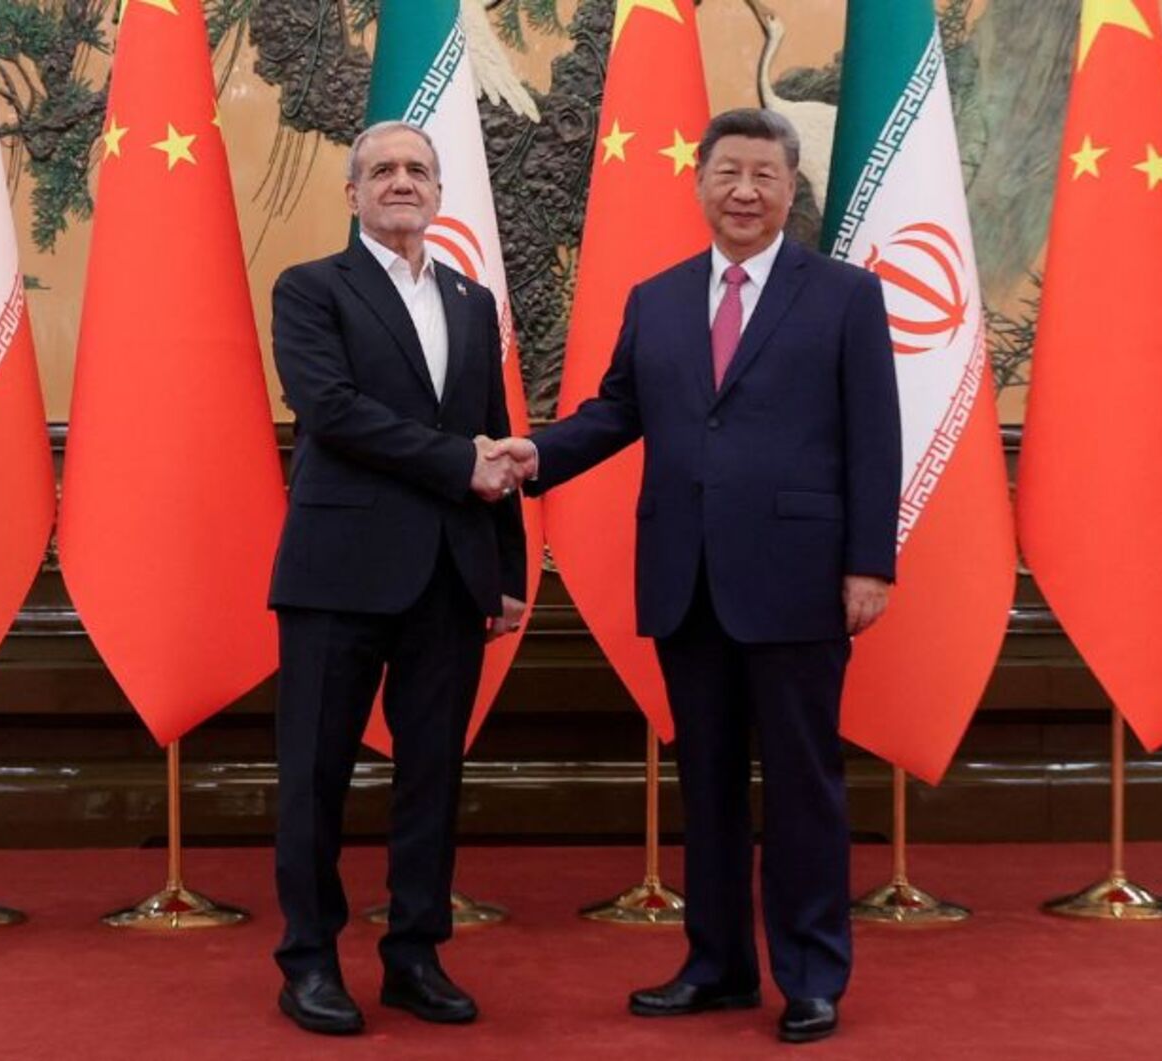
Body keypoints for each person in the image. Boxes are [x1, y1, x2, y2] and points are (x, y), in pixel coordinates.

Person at [491, 108, 899, 1044]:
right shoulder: (659, 298)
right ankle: (716, 965)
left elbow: (876, 437)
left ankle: (810, 974)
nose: (745, 192)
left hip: (800, 579)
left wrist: (869, 563)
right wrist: (537, 454)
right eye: (728, 173)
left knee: (802, 785)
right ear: (700, 182)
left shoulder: (845, 295)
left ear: (791, 188)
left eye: (764, 175)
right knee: (707, 784)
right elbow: (617, 411)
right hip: (686, 577)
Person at [266, 120, 528, 1036]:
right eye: (382, 170)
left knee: (432, 780)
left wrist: (507, 569)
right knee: (315, 778)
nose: (401, 181)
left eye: (418, 169)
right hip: (337, 574)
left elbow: (493, 431)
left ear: (439, 191)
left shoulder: (471, 299)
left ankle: (416, 955)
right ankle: (309, 961)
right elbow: (331, 411)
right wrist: (459, 464)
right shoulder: (309, 288)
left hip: (452, 578)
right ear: (353, 195)